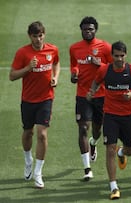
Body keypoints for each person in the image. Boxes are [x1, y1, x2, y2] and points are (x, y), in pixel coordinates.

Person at [87, 40, 131, 200]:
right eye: (116, 56)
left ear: (125, 55)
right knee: (109, 149)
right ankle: (114, 186)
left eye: (122, 56)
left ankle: (122, 152)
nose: (119, 59)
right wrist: (92, 91)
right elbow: (96, 81)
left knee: (130, 149)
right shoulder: (104, 70)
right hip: (110, 115)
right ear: (112, 56)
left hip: (127, 116)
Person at [9, 21, 61, 189]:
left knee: (42, 135)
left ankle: (38, 173)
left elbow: (56, 63)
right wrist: (27, 69)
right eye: (35, 36)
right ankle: (28, 160)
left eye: (40, 36)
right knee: (27, 133)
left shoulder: (52, 49)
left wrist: (55, 77)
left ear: (44, 34)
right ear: (29, 36)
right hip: (28, 100)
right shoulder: (23, 53)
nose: (38, 39)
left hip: (46, 99)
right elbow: (12, 76)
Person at [69, 16, 112, 181]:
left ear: (95, 30)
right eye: (85, 29)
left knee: (97, 129)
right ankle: (87, 168)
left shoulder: (105, 47)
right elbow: (74, 64)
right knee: (83, 129)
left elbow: (113, 68)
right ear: (81, 30)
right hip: (82, 95)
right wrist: (74, 74)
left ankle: (94, 143)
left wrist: (99, 64)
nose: (88, 32)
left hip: (101, 95)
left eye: (91, 29)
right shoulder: (74, 48)